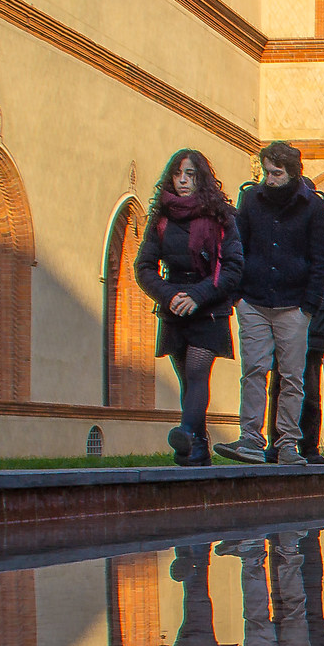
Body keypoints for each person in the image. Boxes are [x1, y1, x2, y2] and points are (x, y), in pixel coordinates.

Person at [222, 142, 324, 465]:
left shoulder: (312, 206)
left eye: (276, 173)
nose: (269, 179)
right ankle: (251, 439)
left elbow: (320, 258)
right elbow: (237, 246)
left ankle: (286, 444)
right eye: (266, 172)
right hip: (254, 300)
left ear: (293, 173)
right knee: (254, 369)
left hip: (293, 304)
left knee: (292, 376)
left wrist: (308, 305)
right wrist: (238, 296)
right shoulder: (251, 199)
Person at [132, 151, 244, 466]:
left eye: (191, 174)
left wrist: (197, 295)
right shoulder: (161, 218)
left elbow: (233, 268)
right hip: (174, 307)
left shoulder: (222, 217)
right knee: (186, 380)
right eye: (178, 174)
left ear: (202, 178)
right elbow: (144, 267)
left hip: (209, 307)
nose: (183, 180)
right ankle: (197, 445)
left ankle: (186, 433)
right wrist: (169, 296)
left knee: (197, 373)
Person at [269, 222, 324, 464]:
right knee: (281, 384)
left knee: (310, 388)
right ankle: (278, 443)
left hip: (314, 322)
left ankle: (308, 446)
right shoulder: (280, 230)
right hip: (283, 317)